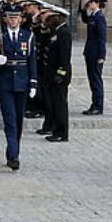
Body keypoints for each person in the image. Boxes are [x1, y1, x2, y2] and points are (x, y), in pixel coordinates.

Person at [0, 6, 38, 170]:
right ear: (5, 19)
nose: (13, 20)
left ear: (20, 19)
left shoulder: (28, 36)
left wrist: (33, 82)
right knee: (10, 120)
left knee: (18, 120)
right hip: (5, 82)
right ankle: (14, 156)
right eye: (10, 17)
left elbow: (32, 60)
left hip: (22, 81)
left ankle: (12, 150)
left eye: (16, 17)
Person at [41, 10, 73, 143]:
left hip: (59, 74)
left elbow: (65, 56)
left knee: (60, 104)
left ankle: (62, 133)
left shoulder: (64, 32)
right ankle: (56, 129)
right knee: (54, 103)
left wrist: (61, 72)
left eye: (53, 17)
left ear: (60, 18)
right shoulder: (57, 30)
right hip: (52, 73)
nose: (50, 19)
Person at [80, 0, 108, 115]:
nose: (89, 4)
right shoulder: (93, 15)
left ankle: (98, 106)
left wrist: (102, 56)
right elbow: (85, 20)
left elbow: (102, 38)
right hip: (90, 52)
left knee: (96, 80)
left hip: (96, 54)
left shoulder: (99, 17)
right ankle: (94, 104)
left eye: (91, 2)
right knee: (92, 80)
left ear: (97, 3)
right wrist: (83, 9)